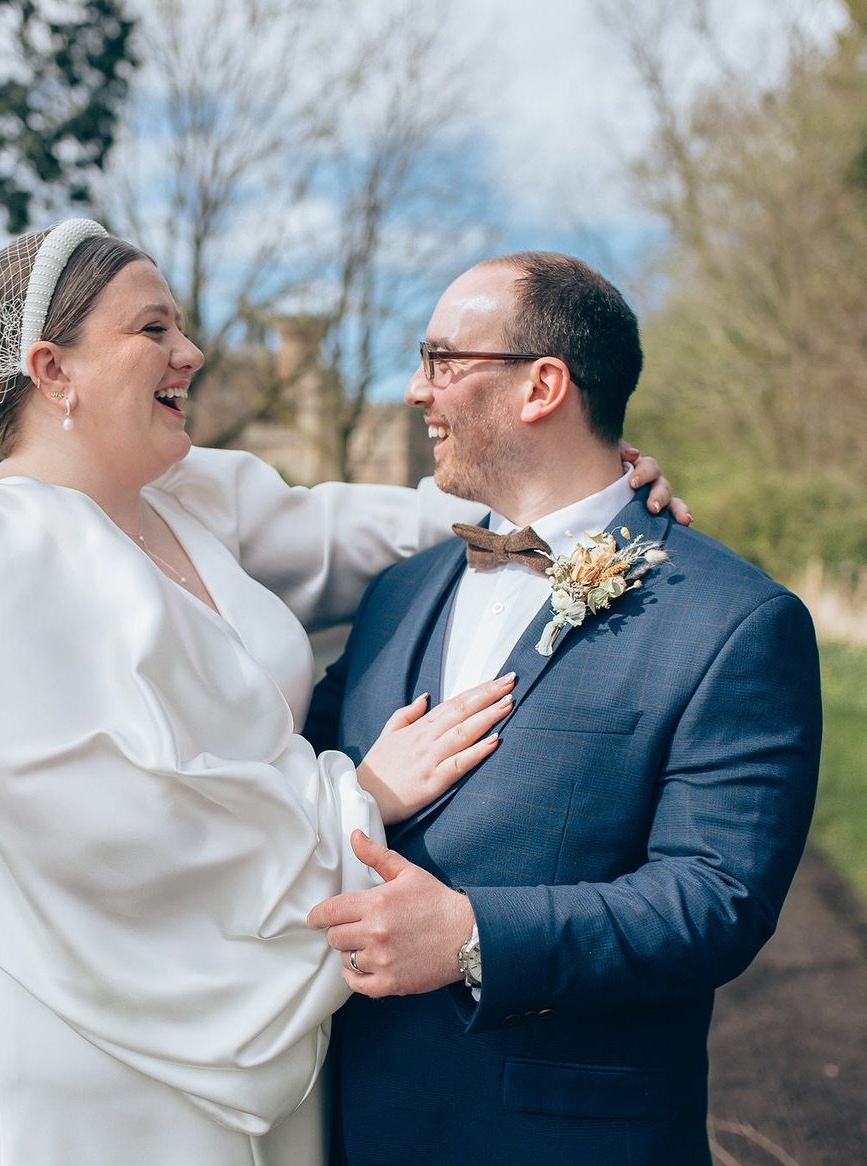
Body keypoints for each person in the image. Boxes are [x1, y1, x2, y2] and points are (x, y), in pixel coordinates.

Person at [0, 220, 684, 1166]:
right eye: (153, 331)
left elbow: (373, 528)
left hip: (262, 975)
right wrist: (361, 799)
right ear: (52, 368)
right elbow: (96, 818)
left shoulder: (186, 498)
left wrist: (591, 488)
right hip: (63, 1005)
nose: (194, 351)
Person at [306, 252, 822, 1166]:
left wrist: (473, 937)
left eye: (441, 360)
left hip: (558, 1135)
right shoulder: (395, 593)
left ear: (543, 384)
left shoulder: (736, 621)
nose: (415, 391)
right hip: (349, 1119)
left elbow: (716, 898)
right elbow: (298, 779)